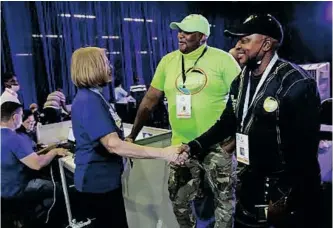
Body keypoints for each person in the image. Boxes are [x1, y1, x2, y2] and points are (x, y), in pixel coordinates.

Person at [181, 14, 322, 228]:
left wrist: (283, 197)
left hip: (285, 193)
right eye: (237, 40)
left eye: (245, 40)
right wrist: (193, 146)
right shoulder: (240, 80)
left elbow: (305, 151)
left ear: (266, 44)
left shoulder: (297, 83)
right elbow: (228, 121)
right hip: (250, 184)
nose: (237, 46)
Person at [126, 14, 241, 228]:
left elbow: (242, 103)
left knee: (224, 201)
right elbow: (150, 100)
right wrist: (132, 134)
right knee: (179, 200)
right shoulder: (168, 61)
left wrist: (231, 144)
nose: (181, 35)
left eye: (187, 32)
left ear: (203, 36)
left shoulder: (223, 60)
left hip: (217, 145)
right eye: (180, 30)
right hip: (181, 147)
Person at [70, 46, 187, 228]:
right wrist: (164, 153)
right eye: (105, 62)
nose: (109, 66)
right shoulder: (88, 101)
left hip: (104, 180)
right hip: (98, 183)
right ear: (94, 66)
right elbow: (113, 145)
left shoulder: (93, 97)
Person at [1, 101, 69, 226]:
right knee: (59, 188)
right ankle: (51, 222)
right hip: (17, 189)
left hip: (3, 189)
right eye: (21, 116)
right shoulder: (13, 137)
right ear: (15, 117)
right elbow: (37, 164)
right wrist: (54, 151)